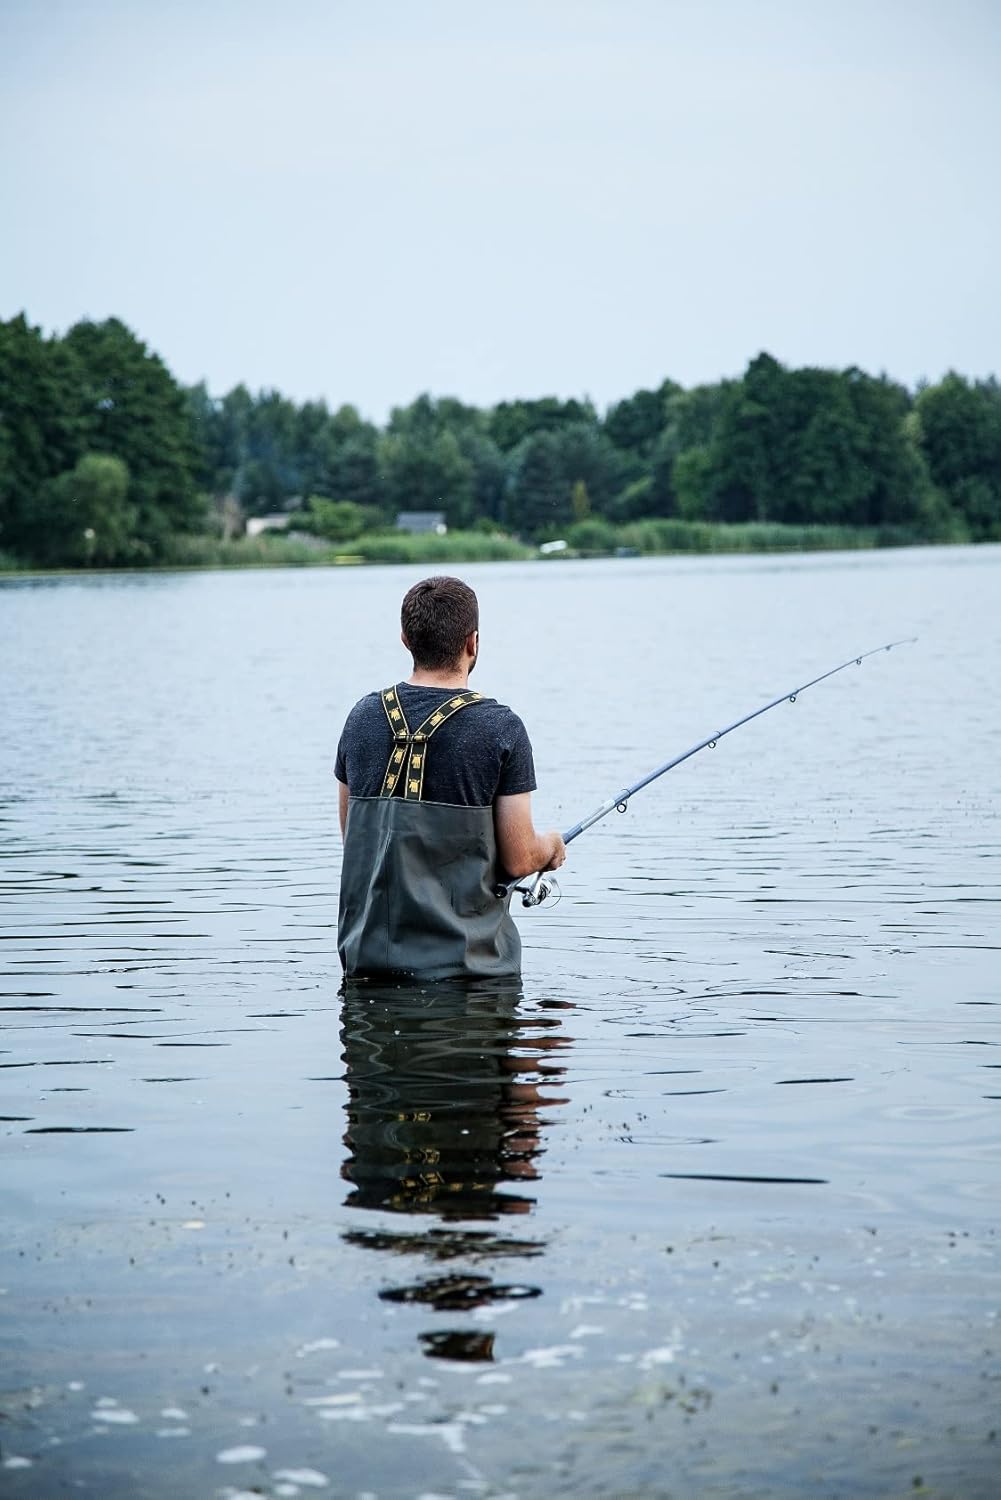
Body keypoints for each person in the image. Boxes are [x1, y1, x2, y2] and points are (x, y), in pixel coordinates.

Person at [335, 575, 565, 980]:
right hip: (469, 979)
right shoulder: (501, 728)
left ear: (406, 640)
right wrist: (550, 847)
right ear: (472, 642)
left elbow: (352, 834)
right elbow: (518, 858)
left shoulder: (361, 718)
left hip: (366, 966)